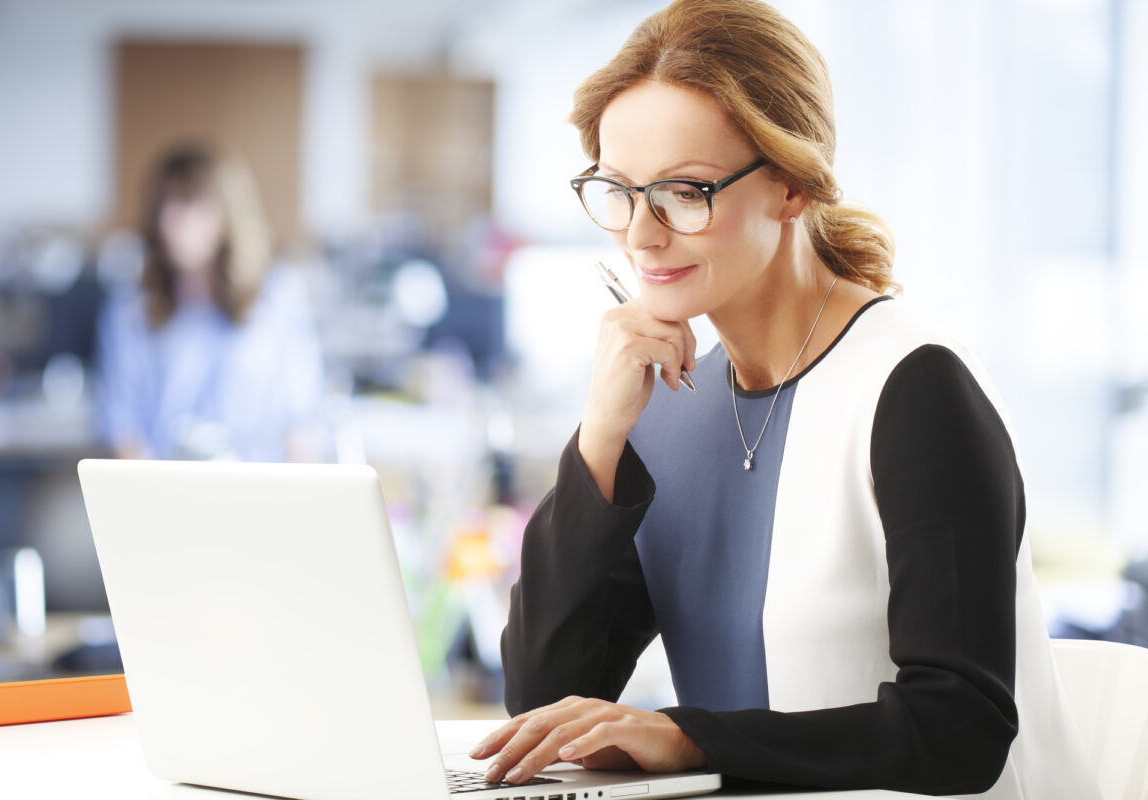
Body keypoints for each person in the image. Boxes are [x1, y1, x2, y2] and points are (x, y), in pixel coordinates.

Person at [467, 1, 1099, 797]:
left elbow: (960, 729)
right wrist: (599, 441)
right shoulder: (665, 402)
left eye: (685, 192)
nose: (640, 235)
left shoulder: (914, 388)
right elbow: (546, 702)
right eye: (620, 191)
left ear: (793, 186)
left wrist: (689, 738)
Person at [95, 143, 324, 462]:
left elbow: (301, 419)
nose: (170, 221)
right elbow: (121, 425)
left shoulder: (278, 296)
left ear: (227, 212)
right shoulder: (129, 310)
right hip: (166, 497)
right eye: (163, 205)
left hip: (259, 496)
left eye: (189, 202)